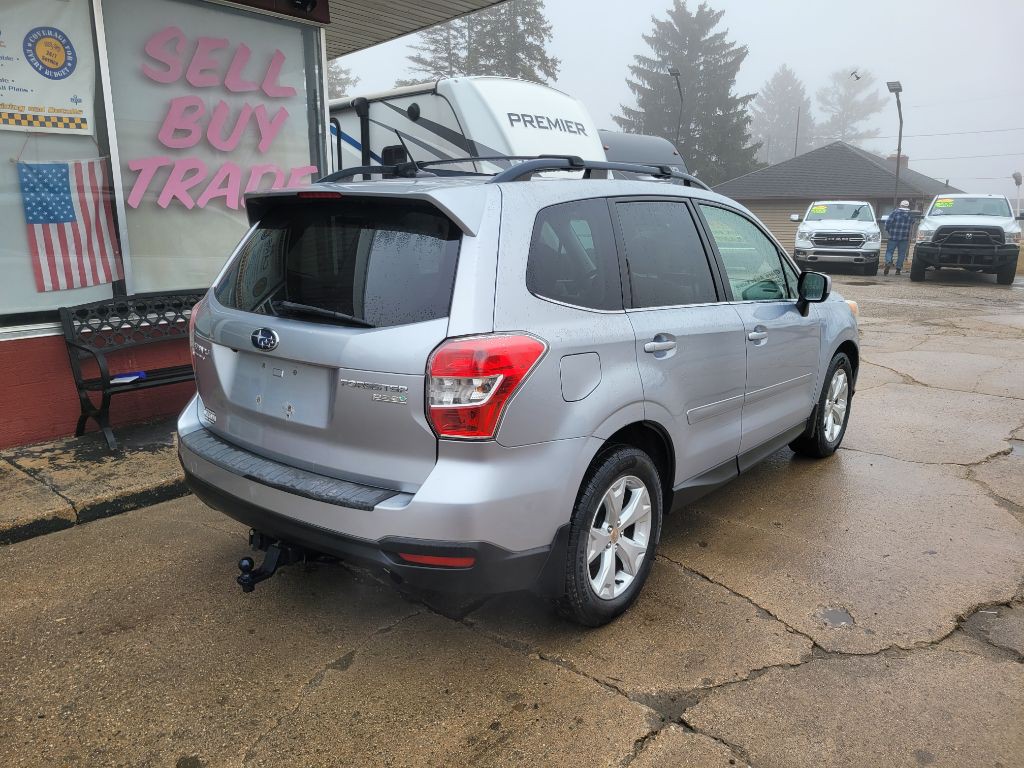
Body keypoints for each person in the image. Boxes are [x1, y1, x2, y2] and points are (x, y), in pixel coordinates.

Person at [884, 200, 913, 276]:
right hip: (904, 238)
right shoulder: (910, 214)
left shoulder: (895, 213)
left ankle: (888, 262)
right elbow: (912, 223)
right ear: (908, 206)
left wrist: (888, 230)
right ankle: (898, 270)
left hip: (893, 236)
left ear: (900, 205)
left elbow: (888, 223)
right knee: (901, 253)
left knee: (889, 251)